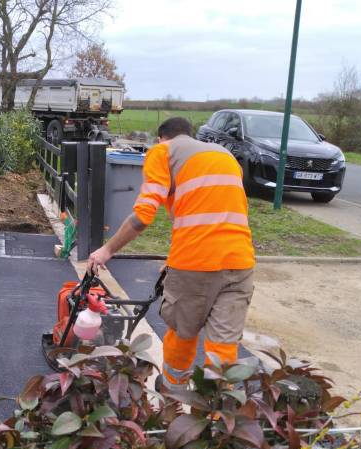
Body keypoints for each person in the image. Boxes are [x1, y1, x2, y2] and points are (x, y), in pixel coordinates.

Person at [88, 117, 255, 392]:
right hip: (240, 262)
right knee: (224, 343)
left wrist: (107, 250)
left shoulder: (162, 152)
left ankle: (173, 392)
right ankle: (218, 409)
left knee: (183, 331)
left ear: (161, 138)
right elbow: (217, 211)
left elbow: (143, 216)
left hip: (195, 264)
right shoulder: (224, 155)